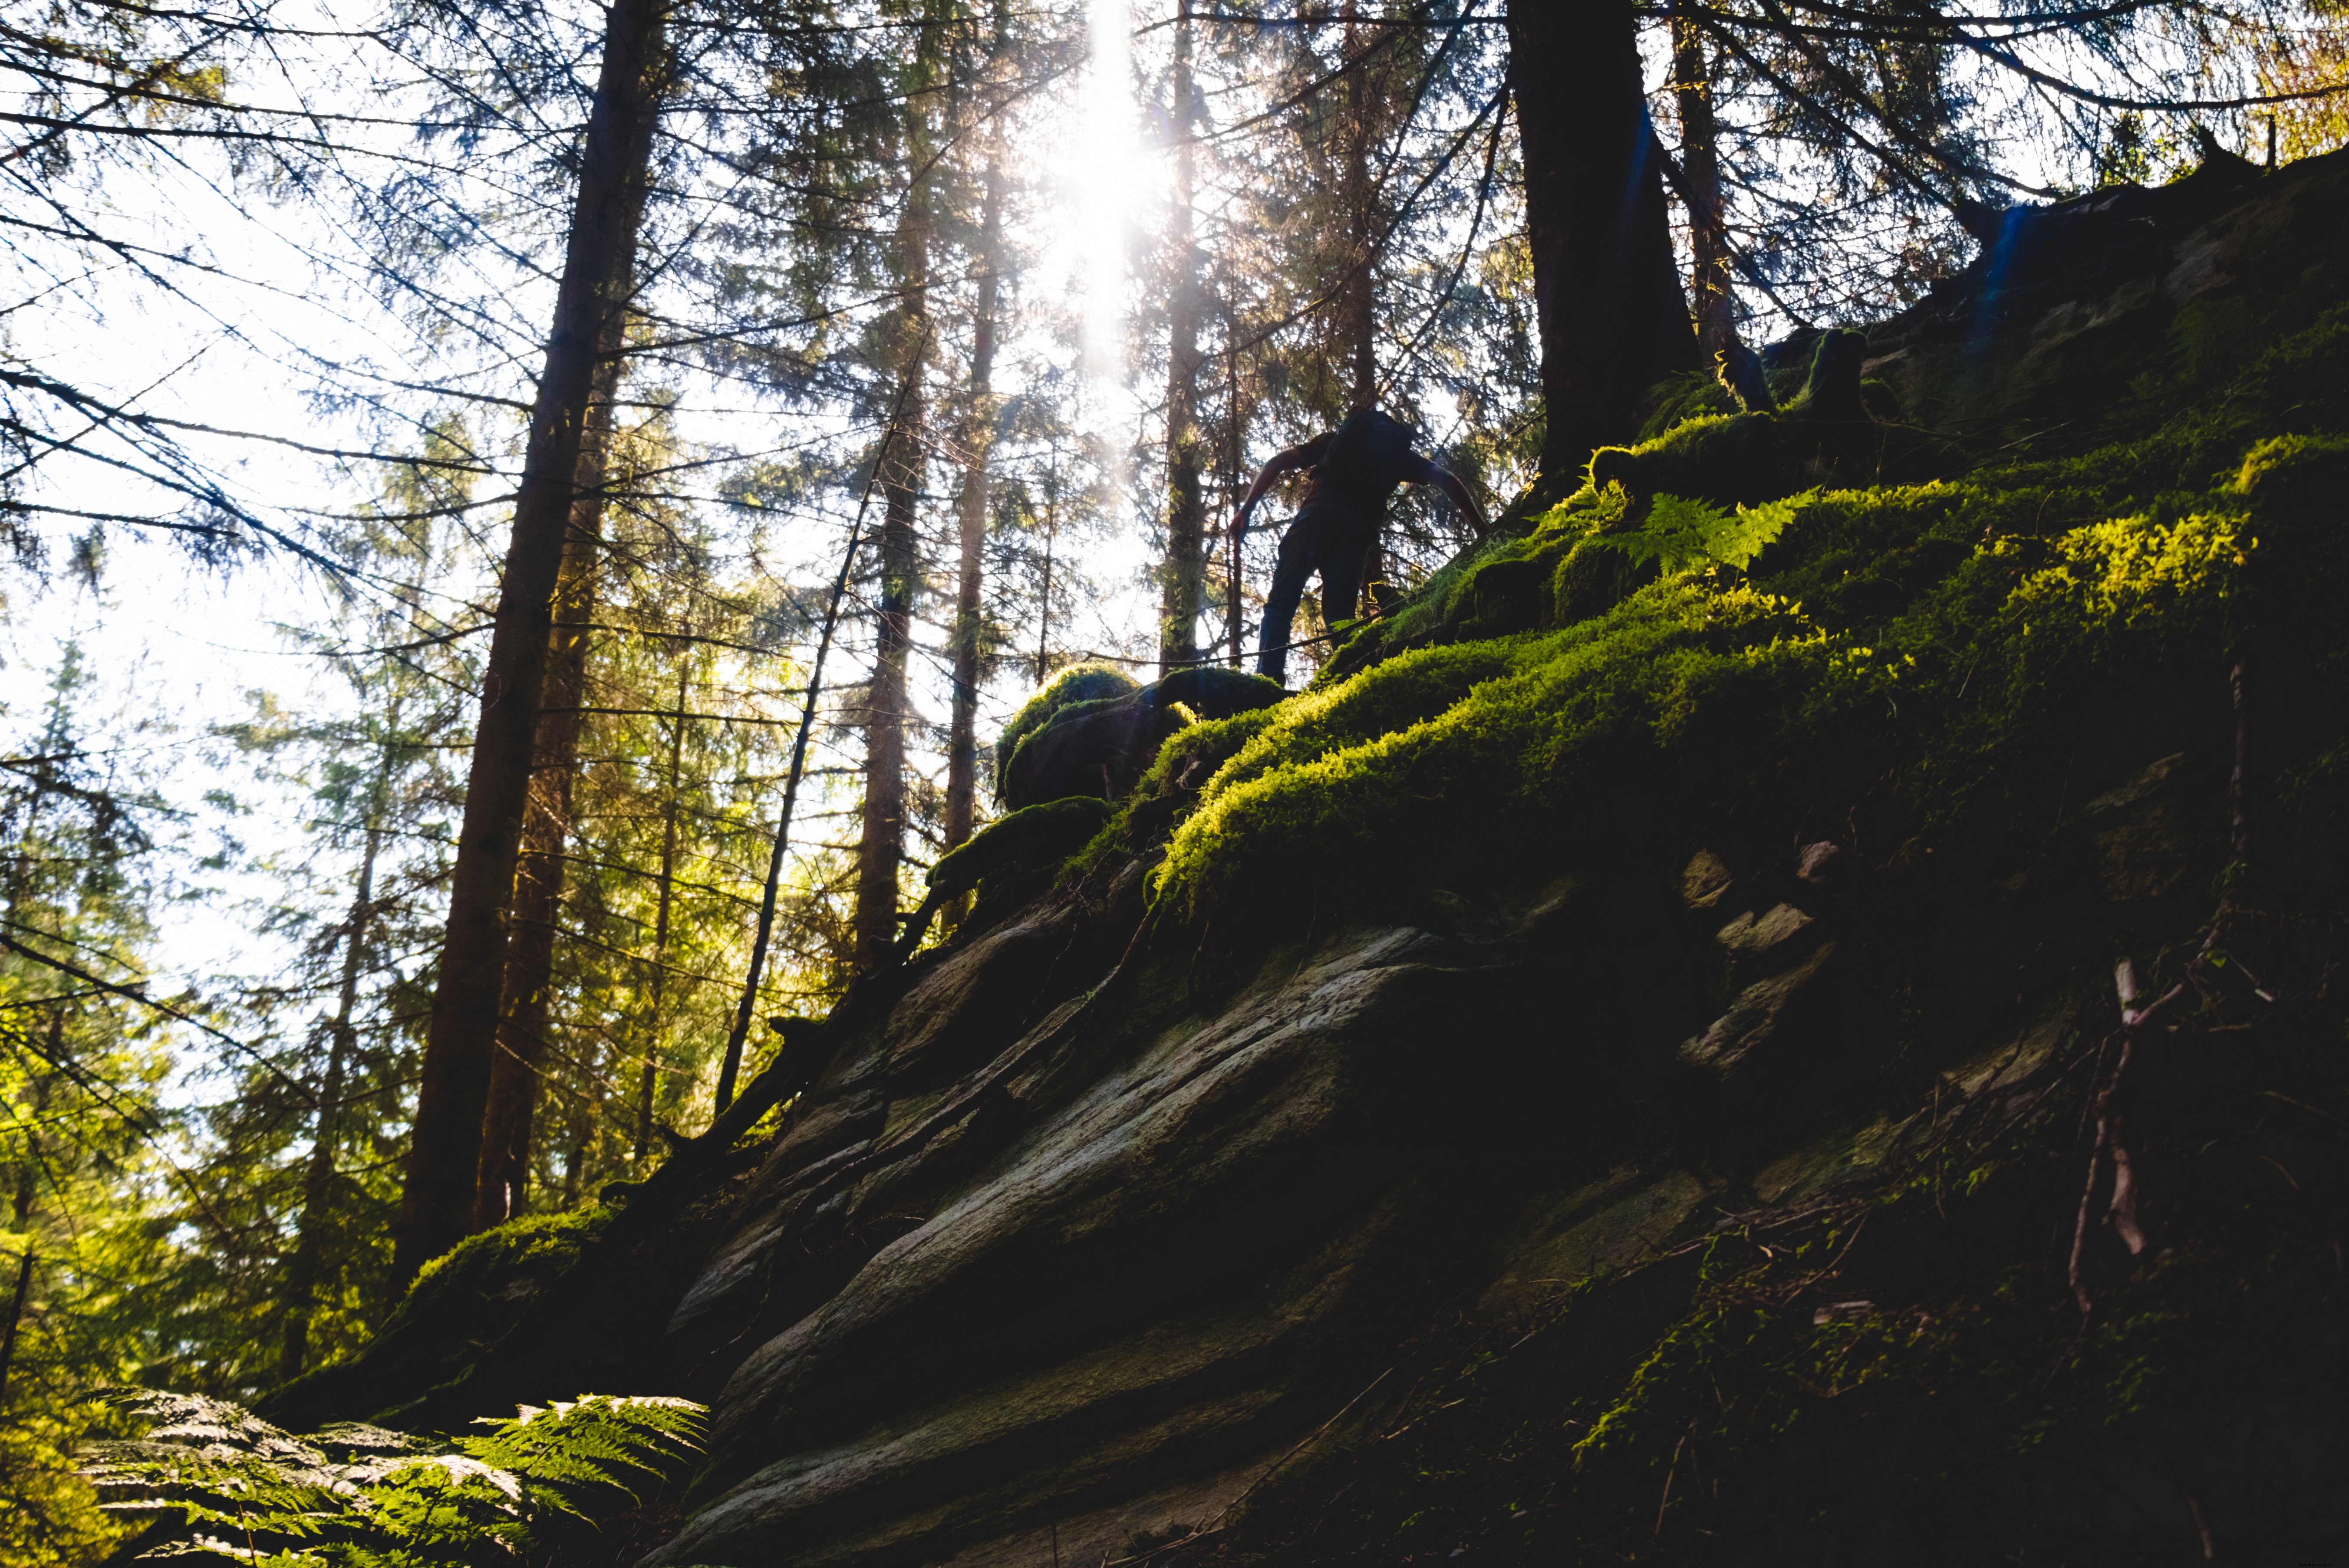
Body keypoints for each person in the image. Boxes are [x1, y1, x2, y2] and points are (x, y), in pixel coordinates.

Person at [1232, 408, 1486, 683]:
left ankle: (1267, 682)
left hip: (1317, 516)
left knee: (1281, 604)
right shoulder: (1397, 456)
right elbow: (1447, 479)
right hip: (1358, 529)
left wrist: (1247, 510)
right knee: (1340, 616)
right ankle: (1352, 680)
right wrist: (1482, 529)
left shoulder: (1332, 442)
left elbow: (1277, 462)